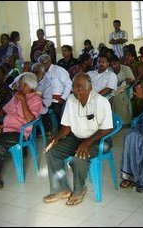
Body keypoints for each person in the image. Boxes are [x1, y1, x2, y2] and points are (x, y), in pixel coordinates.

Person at [43, 73, 113, 206]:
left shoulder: (100, 101)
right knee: (52, 151)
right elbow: (67, 126)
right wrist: (56, 137)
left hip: (99, 139)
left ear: (89, 87)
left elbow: (107, 128)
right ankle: (61, 189)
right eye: (74, 87)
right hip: (76, 137)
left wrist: (87, 142)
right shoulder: (71, 99)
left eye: (79, 87)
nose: (75, 90)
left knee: (79, 157)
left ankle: (79, 190)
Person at [37, 54, 72, 126]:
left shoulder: (58, 70)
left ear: (48, 62)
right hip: (46, 99)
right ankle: (45, 129)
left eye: (42, 64)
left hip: (58, 99)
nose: (41, 66)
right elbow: (40, 87)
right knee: (36, 107)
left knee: (57, 112)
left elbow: (69, 84)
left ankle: (61, 130)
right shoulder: (42, 73)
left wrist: (63, 98)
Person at [109, 54, 135, 125]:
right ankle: (115, 122)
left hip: (126, 91)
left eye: (115, 64)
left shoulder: (126, 69)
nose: (113, 66)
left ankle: (124, 122)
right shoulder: (109, 70)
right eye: (111, 65)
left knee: (116, 98)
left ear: (118, 62)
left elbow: (133, 82)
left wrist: (128, 82)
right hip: (114, 91)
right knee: (111, 97)